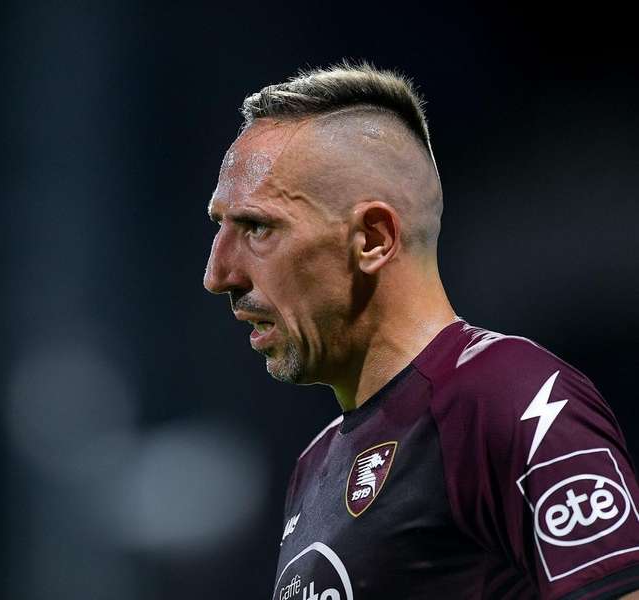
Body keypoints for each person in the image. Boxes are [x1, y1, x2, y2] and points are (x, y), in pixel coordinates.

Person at [202, 61, 639, 599]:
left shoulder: (509, 396)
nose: (218, 275)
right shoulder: (313, 466)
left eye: (258, 228)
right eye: (219, 228)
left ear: (373, 239)